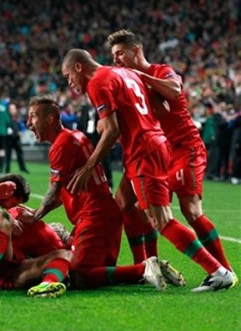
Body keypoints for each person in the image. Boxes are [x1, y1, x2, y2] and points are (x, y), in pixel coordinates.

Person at [61, 48, 234, 292]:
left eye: (68, 75)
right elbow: (160, 107)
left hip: (144, 151)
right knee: (122, 203)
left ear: (79, 67)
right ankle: (146, 264)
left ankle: (218, 271)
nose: (69, 82)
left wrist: (91, 165)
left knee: (161, 220)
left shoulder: (97, 82)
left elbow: (111, 130)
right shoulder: (125, 74)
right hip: (153, 144)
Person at [107, 29, 235, 284]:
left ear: (136, 50)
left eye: (120, 53)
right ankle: (149, 265)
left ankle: (224, 270)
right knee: (126, 203)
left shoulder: (160, 70)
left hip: (184, 147)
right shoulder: (130, 81)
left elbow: (175, 91)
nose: (116, 59)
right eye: (113, 55)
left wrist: (139, 76)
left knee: (190, 211)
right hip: (157, 151)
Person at [24, 96, 185, 292]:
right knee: (97, 272)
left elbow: (54, 192)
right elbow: (63, 193)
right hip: (105, 215)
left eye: (32, 117)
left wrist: (34, 216)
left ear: (49, 119)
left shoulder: (61, 145)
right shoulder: (74, 137)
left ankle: (143, 269)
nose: (28, 123)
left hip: (94, 217)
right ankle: (150, 268)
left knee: (79, 275)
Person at [5, 104, 29, 174]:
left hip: (17, 139)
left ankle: (23, 168)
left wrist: (22, 132)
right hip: (8, 139)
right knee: (8, 155)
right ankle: (7, 169)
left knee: (20, 154)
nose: (12, 110)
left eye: (13, 109)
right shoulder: (7, 118)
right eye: (11, 109)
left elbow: (22, 127)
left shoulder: (18, 118)